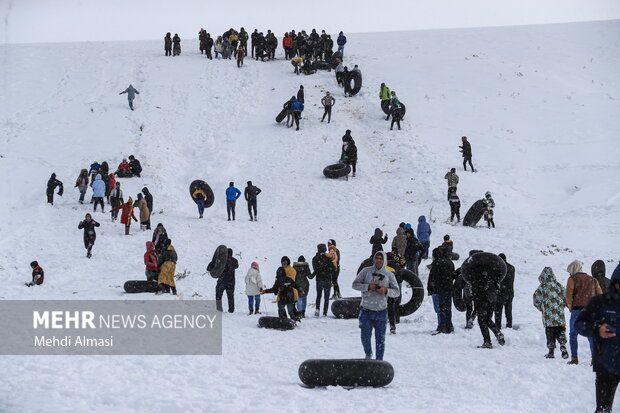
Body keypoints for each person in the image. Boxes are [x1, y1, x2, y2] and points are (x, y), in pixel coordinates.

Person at [575, 264, 620, 413]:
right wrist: (597, 329)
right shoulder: (600, 302)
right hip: (606, 362)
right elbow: (579, 324)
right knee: (603, 409)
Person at [352, 251, 400, 360]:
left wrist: (386, 290)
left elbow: (397, 291)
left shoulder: (389, 274)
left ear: (384, 261)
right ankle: (368, 353)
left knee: (380, 340)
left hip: (381, 311)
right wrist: (368, 287)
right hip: (366, 310)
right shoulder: (366, 271)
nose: (378, 260)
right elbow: (354, 285)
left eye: (380, 259)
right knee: (365, 338)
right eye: (376, 258)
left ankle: (379, 362)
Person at [566, 259, 602, 365]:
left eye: (570, 271)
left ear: (573, 269)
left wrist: (570, 307)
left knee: (573, 334)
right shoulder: (593, 279)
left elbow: (568, 295)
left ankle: (574, 358)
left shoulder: (572, 279)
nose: (569, 273)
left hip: (577, 310)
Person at [471, 253, 505, 349]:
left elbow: (474, 284)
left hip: (481, 298)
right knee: (487, 318)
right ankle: (497, 332)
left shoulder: (476, 270)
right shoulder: (493, 269)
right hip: (491, 298)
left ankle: (487, 341)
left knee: (481, 320)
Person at [533, 267, 569, 359]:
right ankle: (562, 344)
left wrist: (542, 308)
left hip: (548, 317)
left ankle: (551, 352)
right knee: (560, 331)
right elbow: (566, 298)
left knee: (550, 333)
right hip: (559, 316)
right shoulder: (558, 285)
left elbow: (536, 300)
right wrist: (563, 306)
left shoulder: (542, 287)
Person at [427, 247, 455, 334]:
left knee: (441, 308)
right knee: (448, 308)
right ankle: (449, 326)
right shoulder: (450, 262)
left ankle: (442, 326)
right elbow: (453, 274)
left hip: (440, 289)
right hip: (449, 288)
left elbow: (432, 277)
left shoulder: (437, 263)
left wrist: (431, 288)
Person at [310, 244, 334, 316]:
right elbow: (332, 269)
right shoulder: (328, 258)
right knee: (326, 297)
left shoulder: (315, 258)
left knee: (319, 295)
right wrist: (327, 269)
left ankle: (317, 309)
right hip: (327, 279)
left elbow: (316, 269)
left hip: (319, 279)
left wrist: (321, 268)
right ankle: (325, 312)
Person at [211, 248, 238, 312]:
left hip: (221, 280)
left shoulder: (222, 260)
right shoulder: (234, 260)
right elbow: (236, 266)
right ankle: (231, 309)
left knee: (218, 295)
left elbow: (213, 266)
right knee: (230, 296)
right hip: (231, 281)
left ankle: (219, 308)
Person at [495, 253, 515, 328]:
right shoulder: (512, 268)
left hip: (500, 294)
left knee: (498, 312)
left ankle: (498, 326)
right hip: (509, 293)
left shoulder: (497, 268)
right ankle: (509, 326)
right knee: (508, 312)